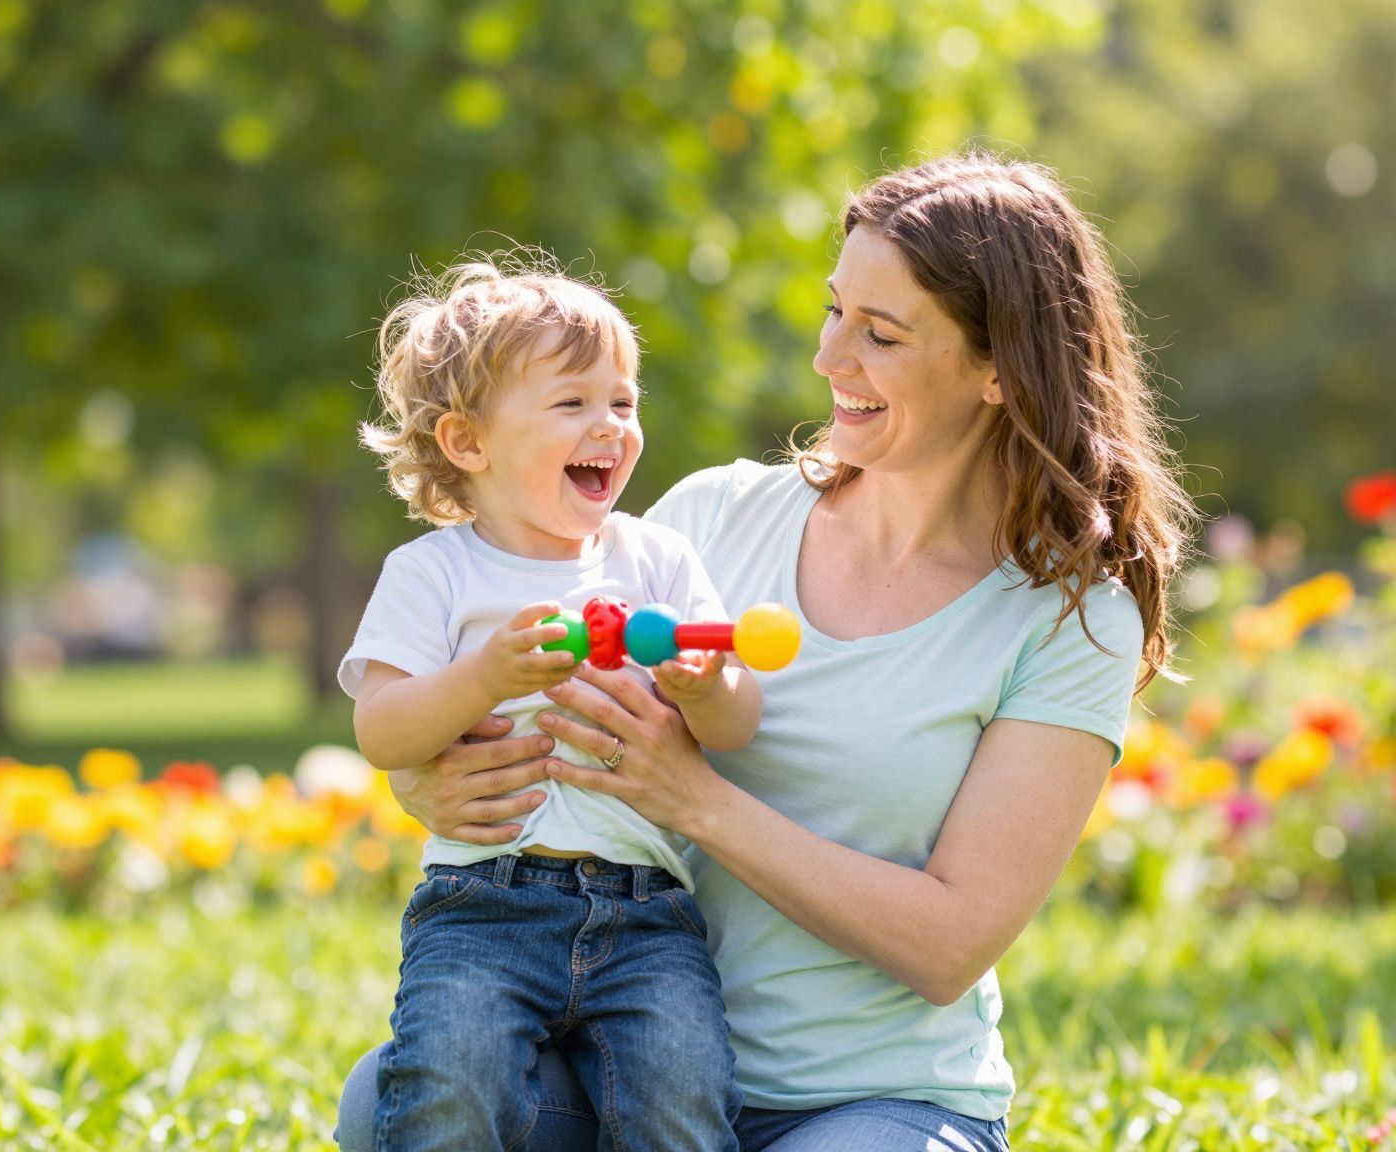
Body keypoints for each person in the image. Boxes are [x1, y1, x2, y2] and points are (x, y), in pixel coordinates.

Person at [337, 150, 1195, 1151]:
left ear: (998, 368)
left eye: (879, 334)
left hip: (868, 1103)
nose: (831, 359)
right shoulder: (708, 516)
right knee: (386, 1099)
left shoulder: (1066, 617)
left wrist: (692, 798)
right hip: (624, 1067)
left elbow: (949, 944)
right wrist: (432, 785)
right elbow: (514, 674)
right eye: (835, 312)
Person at [341, 261, 757, 1151]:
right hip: (484, 906)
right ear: (467, 442)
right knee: (447, 1087)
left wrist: (703, 686)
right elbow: (381, 729)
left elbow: (738, 719)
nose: (609, 425)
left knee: (684, 1100)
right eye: (572, 404)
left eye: (623, 401)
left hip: (647, 913)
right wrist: (484, 678)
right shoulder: (433, 574)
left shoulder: (659, 561)